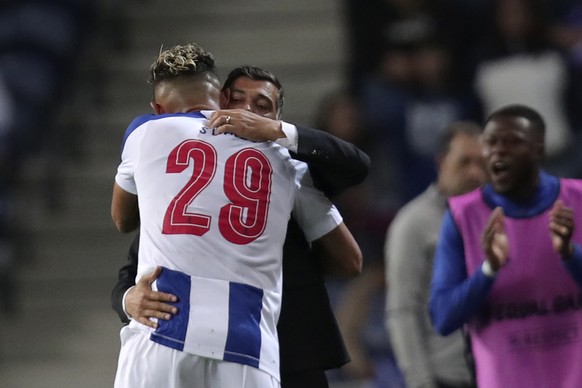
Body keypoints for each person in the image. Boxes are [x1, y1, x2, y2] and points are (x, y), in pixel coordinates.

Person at [111, 44, 362, 387]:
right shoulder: (283, 165)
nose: (247, 113)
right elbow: (131, 266)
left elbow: (123, 220)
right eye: (239, 102)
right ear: (221, 99)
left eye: (261, 108)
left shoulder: (148, 133)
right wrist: (129, 299)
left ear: (276, 120)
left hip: (199, 339)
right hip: (251, 345)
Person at [429, 104, 582, 388]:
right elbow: (443, 317)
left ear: (539, 149)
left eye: (512, 142)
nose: (498, 151)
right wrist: (488, 270)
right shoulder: (462, 216)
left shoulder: (578, 200)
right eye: (491, 142)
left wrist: (569, 254)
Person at [385, 121, 486, 388]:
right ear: (441, 162)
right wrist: (420, 381)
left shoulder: (499, 217)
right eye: (465, 162)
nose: (475, 172)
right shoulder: (413, 223)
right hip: (446, 376)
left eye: (481, 163)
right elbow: (403, 309)